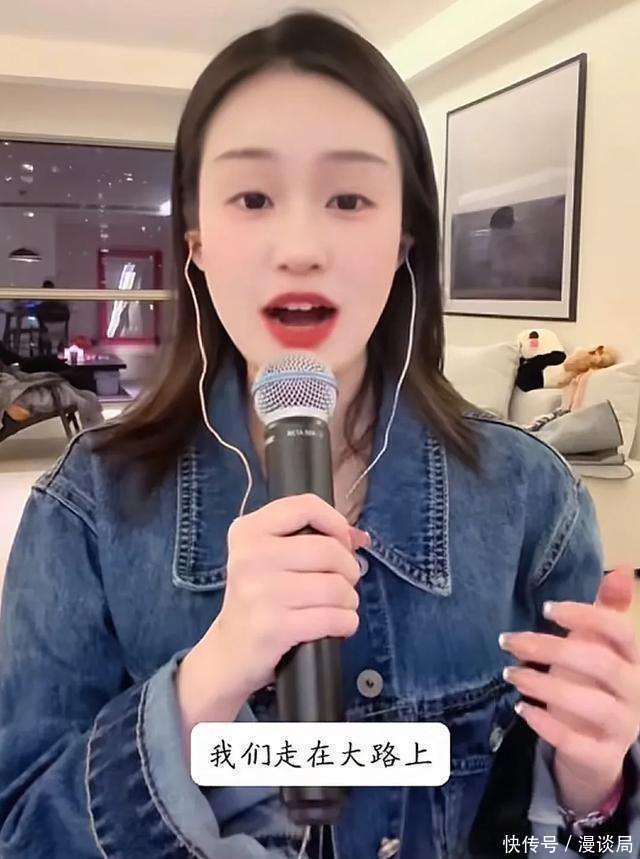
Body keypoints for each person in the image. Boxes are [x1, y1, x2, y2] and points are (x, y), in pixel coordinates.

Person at [1, 11, 639, 859]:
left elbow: (566, 839)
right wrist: (203, 685)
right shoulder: (86, 506)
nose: (299, 248)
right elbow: (20, 830)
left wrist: (593, 791)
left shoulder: (531, 497)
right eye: (253, 198)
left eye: (348, 199)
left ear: (403, 237)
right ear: (197, 242)